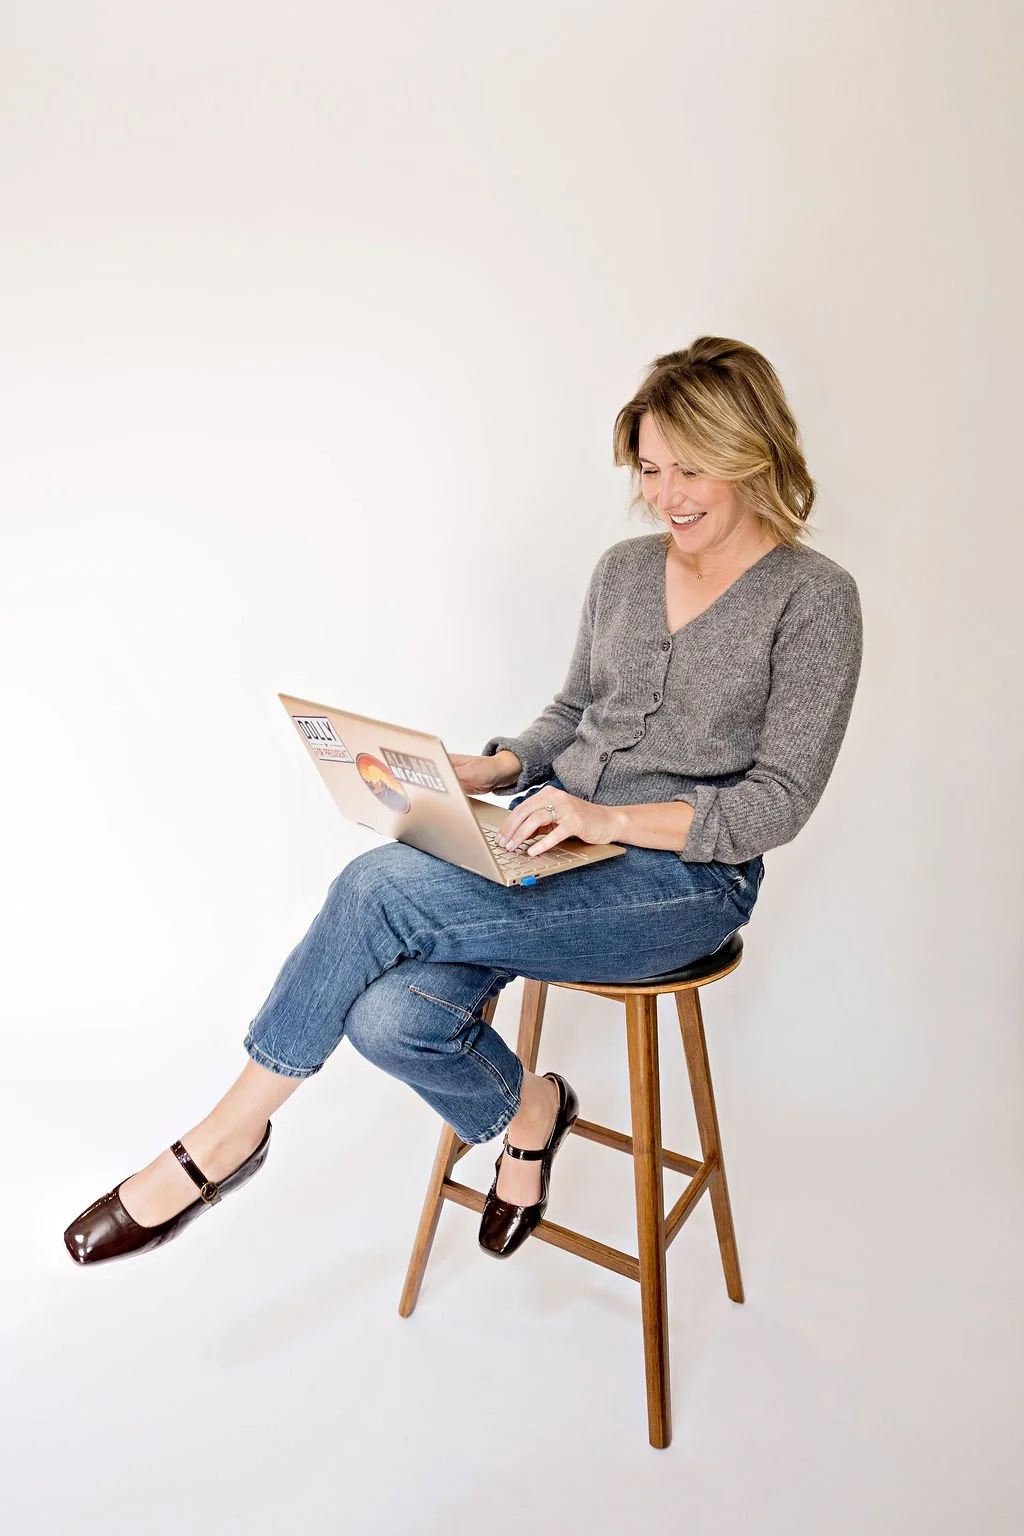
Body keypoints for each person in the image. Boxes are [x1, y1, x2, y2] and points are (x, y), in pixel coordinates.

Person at [64, 336, 863, 1267]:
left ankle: (219, 1142)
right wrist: (494, 768)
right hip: (549, 833)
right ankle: (533, 1116)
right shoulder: (623, 570)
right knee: (388, 1018)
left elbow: (779, 801)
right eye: (650, 467)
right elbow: (574, 712)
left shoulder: (815, 598)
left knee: (378, 889)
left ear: (752, 454)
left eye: (693, 469)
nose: (667, 493)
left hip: (685, 883)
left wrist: (607, 821)